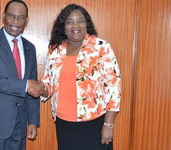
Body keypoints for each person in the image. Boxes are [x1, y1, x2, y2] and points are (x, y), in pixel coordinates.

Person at [41, 4, 121, 150]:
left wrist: (108, 125)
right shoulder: (55, 51)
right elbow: (48, 86)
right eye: (69, 22)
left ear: (86, 24)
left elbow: (113, 87)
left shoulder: (101, 47)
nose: (75, 25)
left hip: (94, 123)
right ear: (63, 26)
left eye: (80, 21)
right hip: (64, 124)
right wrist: (37, 89)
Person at [0, 0, 43, 150]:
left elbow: (32, 86)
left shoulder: (30, 48)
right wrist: (26, 85)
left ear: (26, 20)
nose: (15, 21)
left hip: (19, 124)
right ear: (4, 16)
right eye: (11, 16)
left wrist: (32, 121)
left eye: (20, 17)